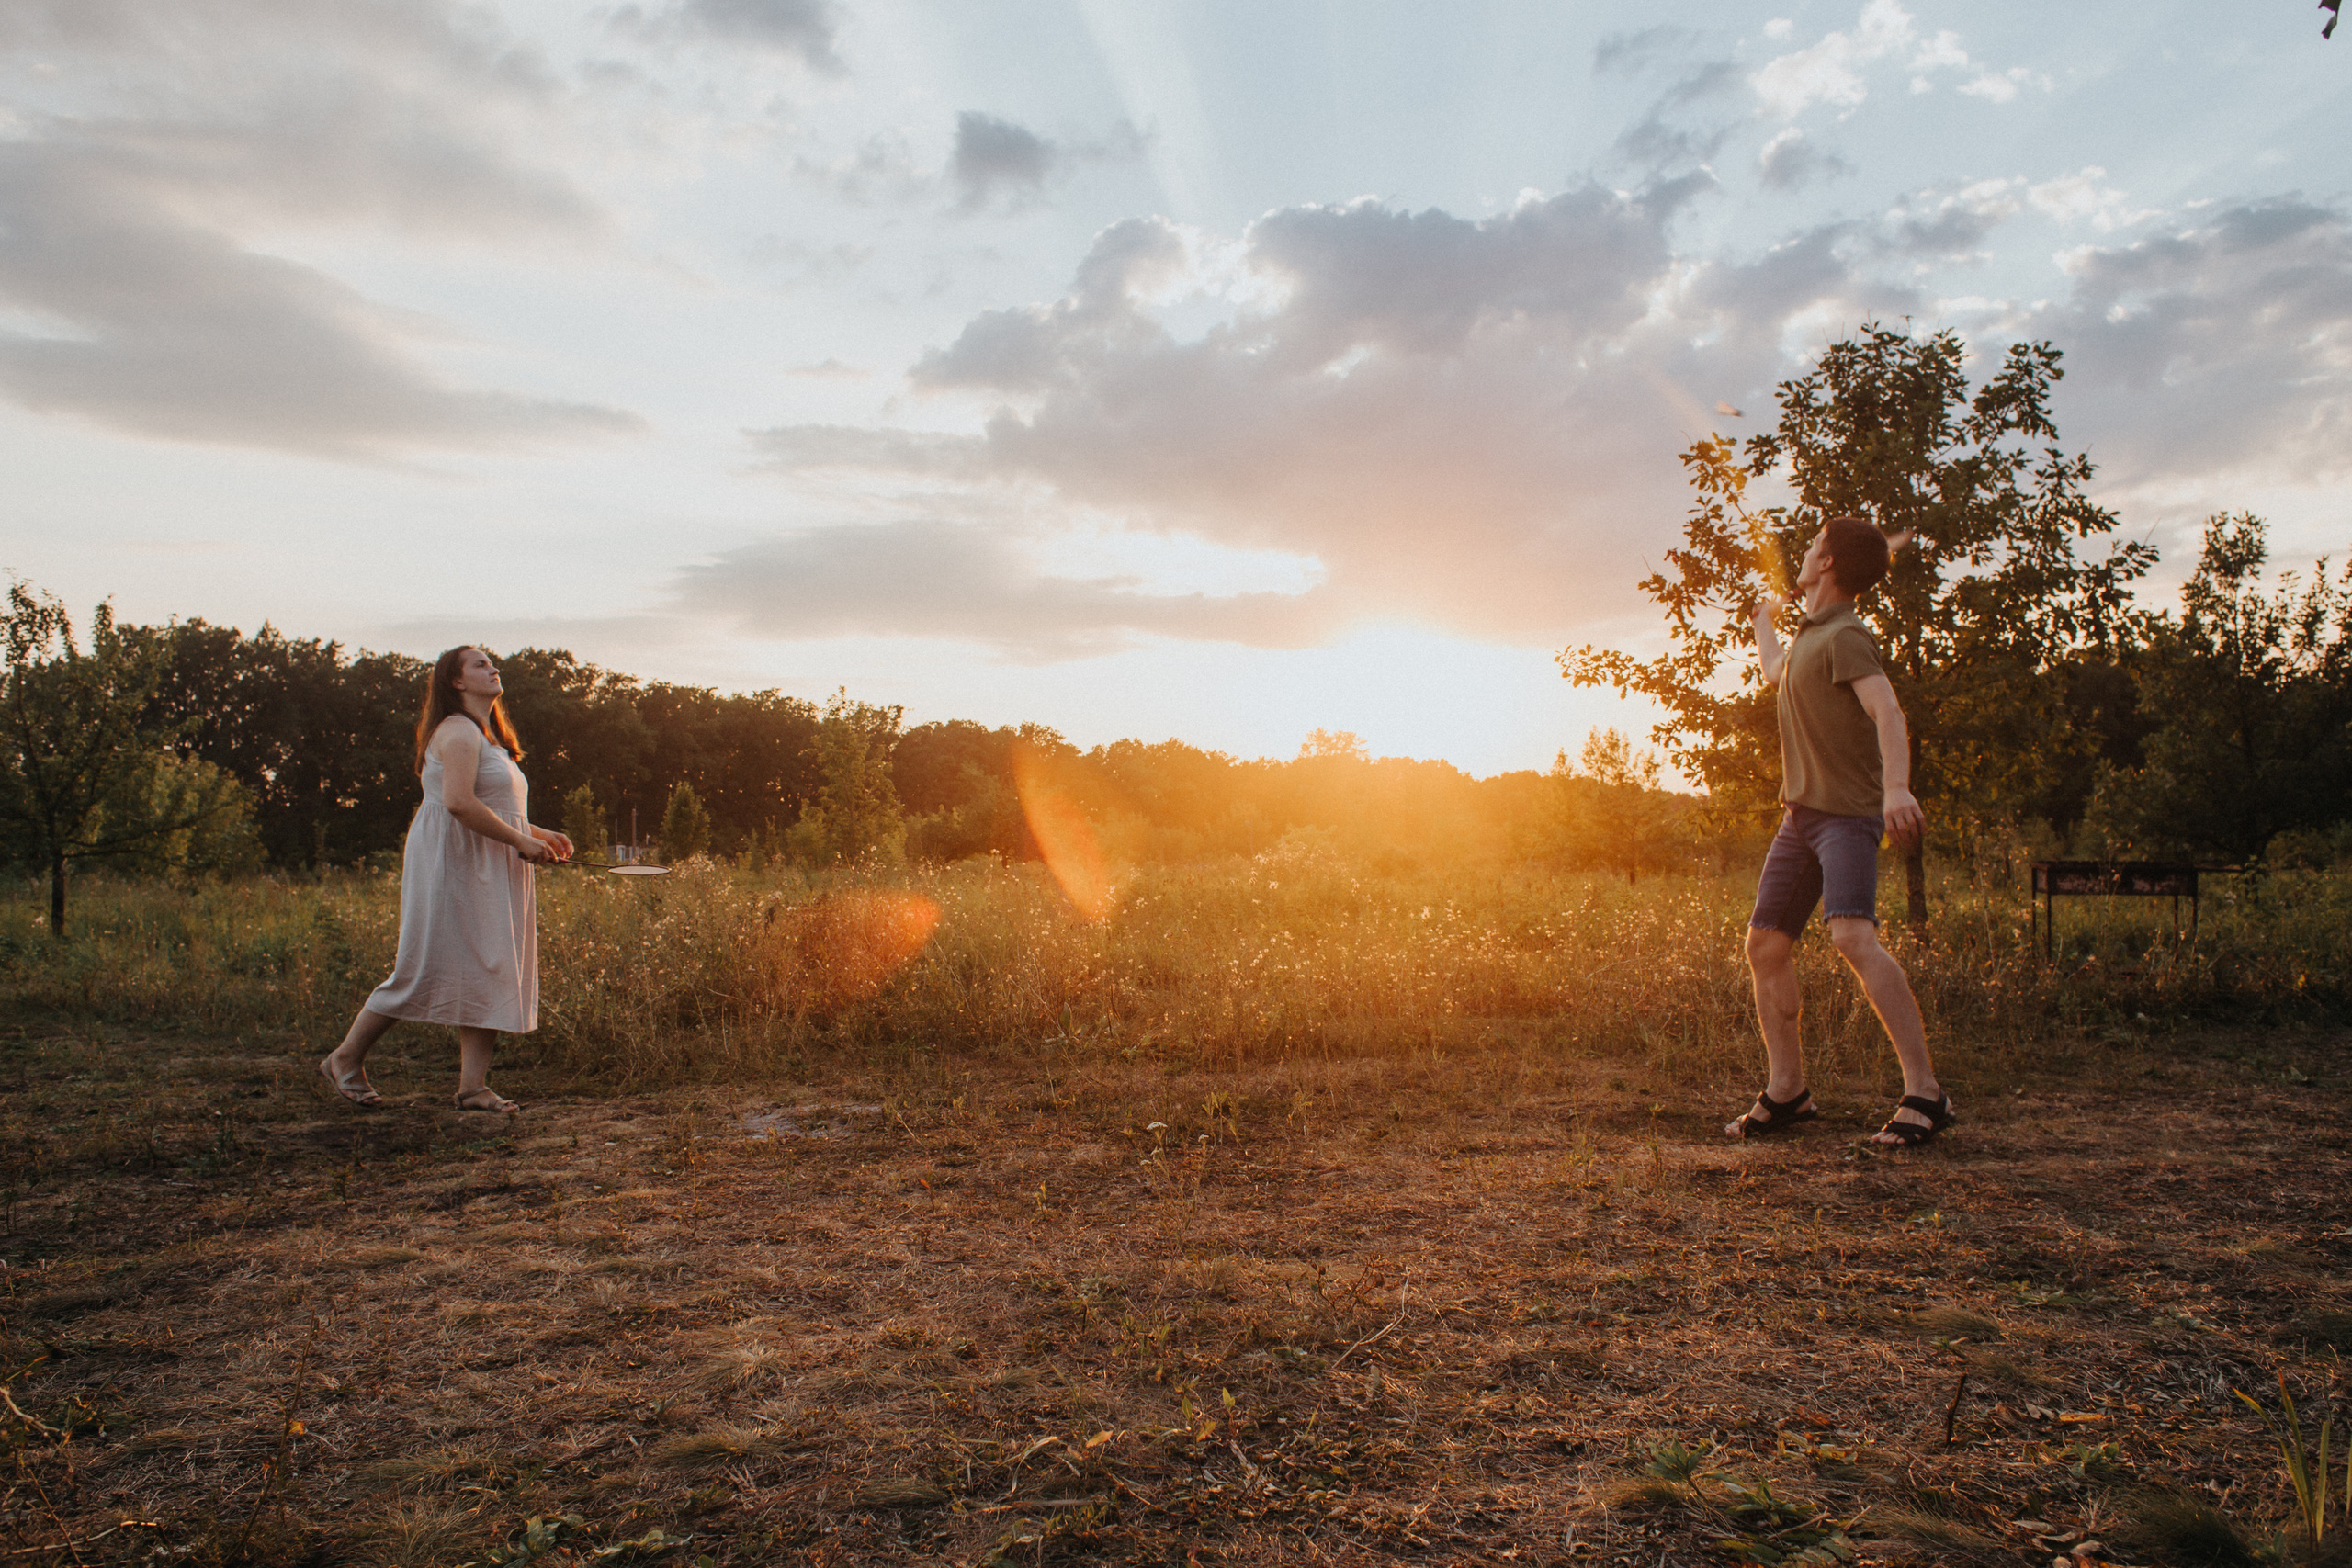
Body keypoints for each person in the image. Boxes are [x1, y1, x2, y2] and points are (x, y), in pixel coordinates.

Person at [1726, 516, 1952, 1148]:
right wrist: (1762, 618)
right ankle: (1787, 1091)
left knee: (1853, 935)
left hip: (1848, 817)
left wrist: (1897, 788)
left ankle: (1926, 1094)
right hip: (1799, 818)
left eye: (1811, 546)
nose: (1801, 553)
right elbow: (1776, 670)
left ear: (1826, 563)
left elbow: (1886, 708)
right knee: (1765, 947)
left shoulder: (1848, 635)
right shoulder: (1811, 636)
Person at [318, 647, 571, 1113]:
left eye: (492, 662)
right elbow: (457, 802)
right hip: (453, 862)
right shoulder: (456, 732)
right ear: (456, 682)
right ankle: (344, 1058)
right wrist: (520, 839)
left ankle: (472, 1088)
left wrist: (538, 834)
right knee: (421, 968)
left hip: (488, 859)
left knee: (491, 965)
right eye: (479, 664)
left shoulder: (491, 739)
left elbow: (494, 806)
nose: (493, 668)